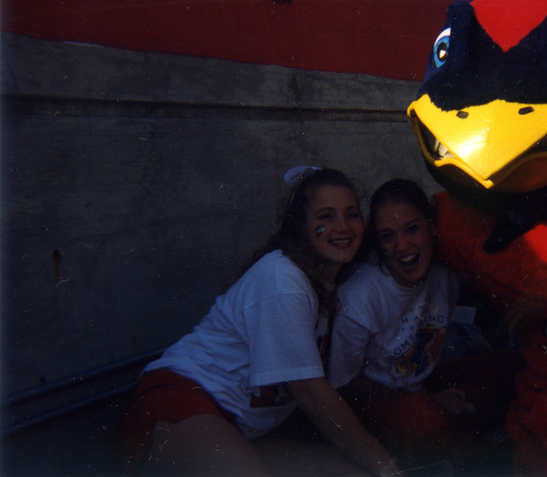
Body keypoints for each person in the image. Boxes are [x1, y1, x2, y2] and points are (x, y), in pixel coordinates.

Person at [118, 166, 402, 476]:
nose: (342, 226)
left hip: (235, 430)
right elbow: (311, 394)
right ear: (300, 227)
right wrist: (386, 467)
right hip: (178, 404)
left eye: (351, 214)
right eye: (325, 216)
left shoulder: (334, 282)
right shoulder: (283, 278)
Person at [327, 178, 523, 471]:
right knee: (424, 422)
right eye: (388, 236)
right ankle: (470, 446)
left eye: (412, 229)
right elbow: (346, 385)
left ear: (431, 227)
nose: (402, 246)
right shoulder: (360, 298)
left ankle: (460, 433)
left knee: (512, 369)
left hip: (424, 380)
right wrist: (430, 400)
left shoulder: (445, 267)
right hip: (380, 398)